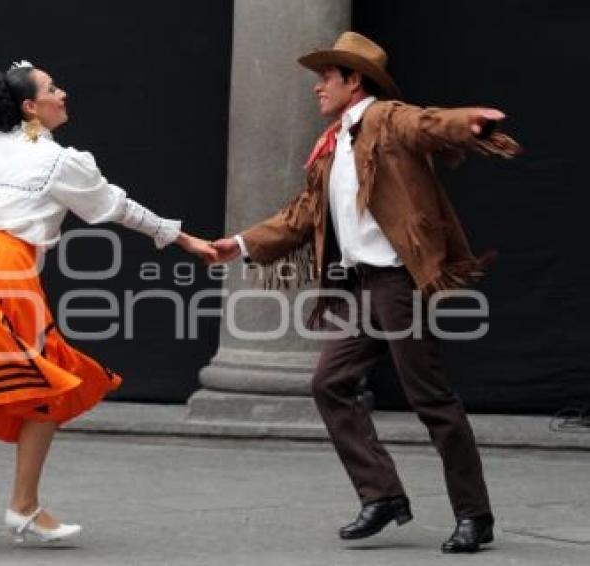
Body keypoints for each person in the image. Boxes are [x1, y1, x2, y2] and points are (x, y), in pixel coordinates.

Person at [0, 60, 216, 550]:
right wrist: (183, 239)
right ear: (31, 107)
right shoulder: (57, 163)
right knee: (44, 383)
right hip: (5, 274)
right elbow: (116, 205)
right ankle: (22, 509)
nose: (63, 94)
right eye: (53, 89)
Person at [212, 32, 521, 553]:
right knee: (330, 382)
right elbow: (302, 216)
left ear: (355, 80)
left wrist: (465, 121)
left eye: (325, 78)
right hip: (365, 289)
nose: (316, 89)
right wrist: (239, 245)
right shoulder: (334, 147)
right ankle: (383, 497)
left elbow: (424, 122)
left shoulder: (384, 119)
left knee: (431, 399)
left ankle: (475, 514)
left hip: (398, 283)